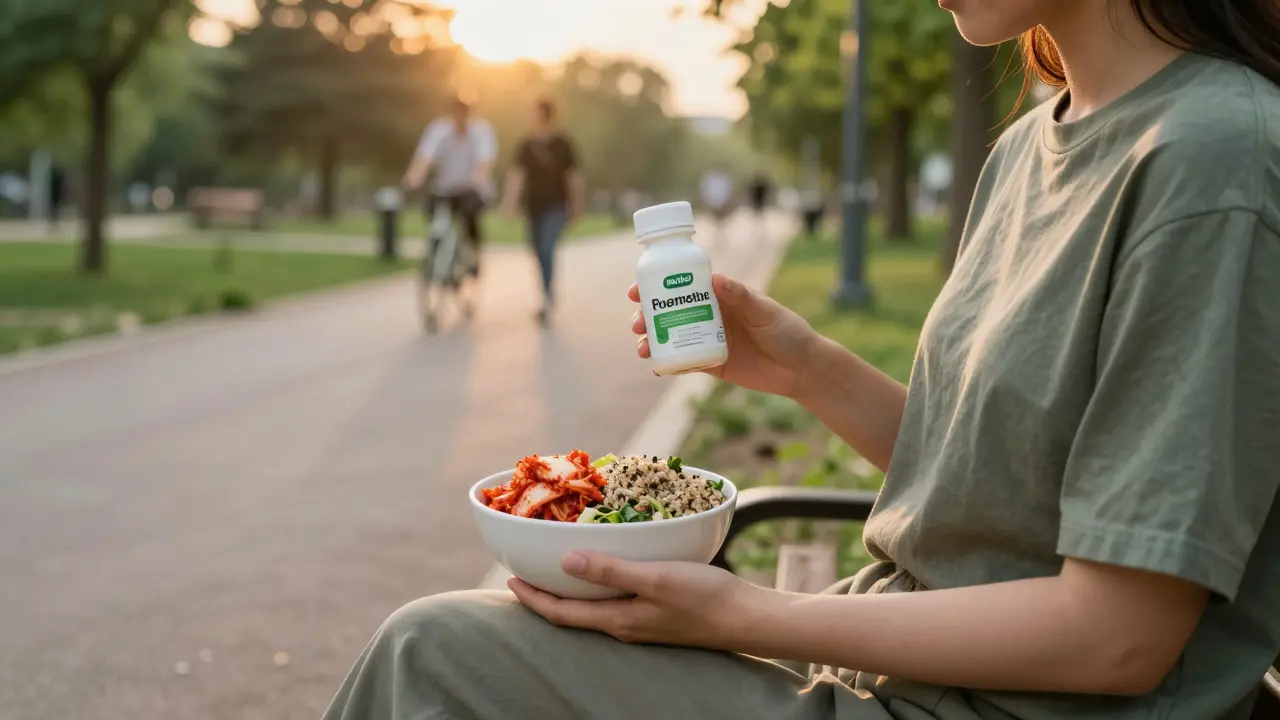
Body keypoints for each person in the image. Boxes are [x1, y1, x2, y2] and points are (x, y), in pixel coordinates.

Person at [325, 1, 1280, 718]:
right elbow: (994, 494)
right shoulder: (1032, 144)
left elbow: (1118, 639)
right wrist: (805, 367)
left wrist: (742, 614)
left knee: (431, 651)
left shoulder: (1215, 161)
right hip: (896, 668)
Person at [500, 98, 584, 325]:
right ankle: (545, 292)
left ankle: (547, 298)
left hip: (556, 206)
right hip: (533, 207)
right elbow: (517, 175)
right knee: (537, 252)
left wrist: (576, 205)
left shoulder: (563, 144)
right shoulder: (526, 145)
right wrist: (509, 203)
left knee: (547, 248)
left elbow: (573, 176)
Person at [403, 93, 497, 283]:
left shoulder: (481, 131)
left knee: (470, 218)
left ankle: (474, 256)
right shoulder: (438, 130)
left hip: (470, 188)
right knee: (432, 211)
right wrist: (414, 177)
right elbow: (425, 157)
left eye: (463, 111)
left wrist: (478, 179)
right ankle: (436, 254)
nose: (459, 116)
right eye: (456, 111)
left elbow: (484, 161)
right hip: (444, 188)